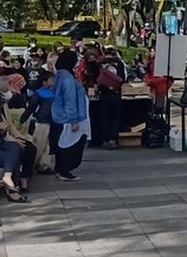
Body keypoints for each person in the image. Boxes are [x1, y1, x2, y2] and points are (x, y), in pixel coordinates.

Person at [51, 50, 89, 181]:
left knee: (63, 143)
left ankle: (61, 169)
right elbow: (70, 100)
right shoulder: (67, 79)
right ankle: (64, 170)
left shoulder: (60, 76)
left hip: (60, 115)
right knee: (69, 144)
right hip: (68, 118)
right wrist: (74, 120)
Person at [20, 69, 57, 174]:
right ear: (44, 81)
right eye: (51, 79)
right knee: (39, 145)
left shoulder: (52, 91)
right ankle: (31, 165)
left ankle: (44, 165)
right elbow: (31, 107)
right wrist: (23, 118)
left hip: (51, 121)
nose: (53, 81)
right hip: (42, 121)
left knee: (49, 145)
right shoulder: (39, 93)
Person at [92, 46, 125, 151]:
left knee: (104, 117)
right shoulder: (119, 64)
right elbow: (122, 78)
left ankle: (104, 139)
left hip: (103, 93)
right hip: (115, 93)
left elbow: (95, 78)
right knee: (115, 117)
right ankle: (112, 139)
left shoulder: (100, 64)